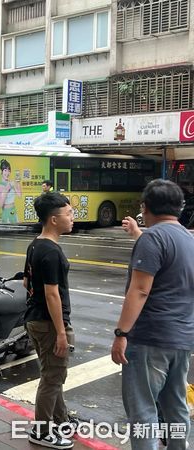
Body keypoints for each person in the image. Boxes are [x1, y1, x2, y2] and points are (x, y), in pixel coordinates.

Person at [111, 179, 194, 450]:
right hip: (181, 339)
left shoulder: (153, 238)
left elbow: (139, 291)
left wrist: (121, 333)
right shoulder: (188, 239)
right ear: (179, 207)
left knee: (144, 412)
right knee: (176, 406)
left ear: (145, 208)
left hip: (150, 338)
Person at [23, 192, 75, 449]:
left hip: (34, 319)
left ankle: (61, 419)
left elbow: (26, 281)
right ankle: (42, 432)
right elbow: (51, 293)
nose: (72, 217)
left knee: (53, 373)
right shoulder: (51, 251)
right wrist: (61, 333)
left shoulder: (35, 244)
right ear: (53, 219)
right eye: (69, 213)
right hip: (48, 323)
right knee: (52, 377)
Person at [0, 159, 22, 224]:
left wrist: (18, 183)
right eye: (5, 170)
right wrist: (7, 188)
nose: (7, 173)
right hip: (5, 211)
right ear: (1, 171)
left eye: (9, 171)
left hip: (13, 210)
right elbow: (0, 204)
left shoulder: (12, 183)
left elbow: (19, 195)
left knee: (16, 229)